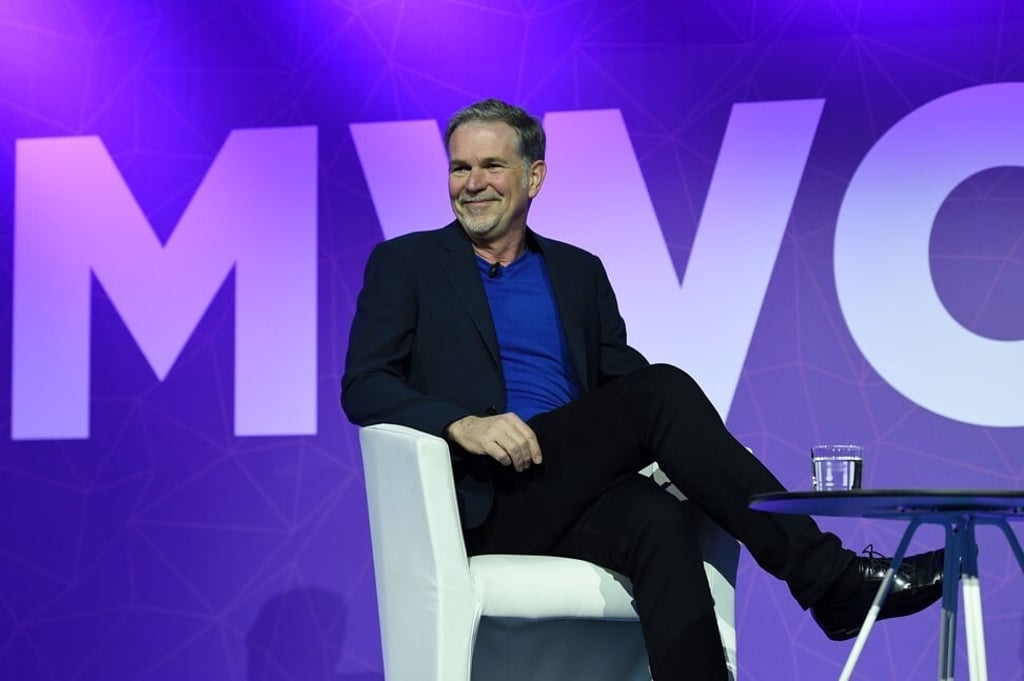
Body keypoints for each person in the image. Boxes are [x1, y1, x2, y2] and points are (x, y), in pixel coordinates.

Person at [341, 98, 944, 680]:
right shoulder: (407, 263)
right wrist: (461, 423)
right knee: (663, 390)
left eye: (492, 166)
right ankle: (830, 578)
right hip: (488, 496)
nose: (473, 183)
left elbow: (621, 378)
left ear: (534, 176)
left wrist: (687, 453)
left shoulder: (578, 272)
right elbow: (363, 385)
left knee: (661, 521)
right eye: (460, 168)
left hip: (567, 480)